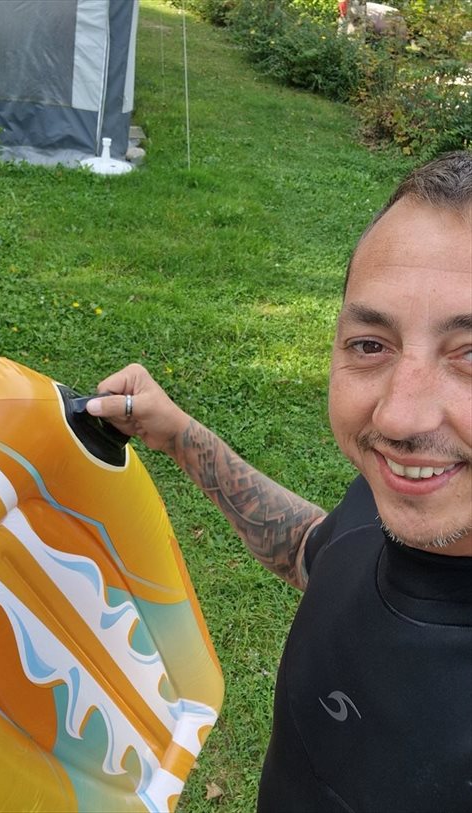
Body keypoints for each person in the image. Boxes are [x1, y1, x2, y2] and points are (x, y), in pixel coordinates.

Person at [85, 151, 472, 812]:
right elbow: (315, 548)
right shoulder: (391, 501)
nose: (398, 418)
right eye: (370, 344)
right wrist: (178, 433)